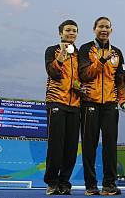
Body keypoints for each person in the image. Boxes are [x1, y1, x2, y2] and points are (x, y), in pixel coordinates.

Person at [79, 16, 125, 196]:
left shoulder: (117, 52)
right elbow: (85, 75)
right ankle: (90, 185)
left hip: (110, 105)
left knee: (110, 146)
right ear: (94, 29)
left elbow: (120, 81)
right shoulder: (85, 49)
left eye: (107, 27)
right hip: (89, 104)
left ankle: (109, 184)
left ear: (111, 30)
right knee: (89, 146)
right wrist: (102, 61)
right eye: (101, 26)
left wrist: (124, 101)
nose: (104, 30)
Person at [44, 20, 82, 196]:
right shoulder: (52, 50)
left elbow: (81, 78)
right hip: (56, 102)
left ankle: (65, 182)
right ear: (60, 33)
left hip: (75, 104)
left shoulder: (79, 54)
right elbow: (52, 72)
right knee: (55, 146)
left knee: (71, 147)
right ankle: (52, 182)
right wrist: (61, 56)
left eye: (74, 31)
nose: (71, 33)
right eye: (68, 30)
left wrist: (79, 86)